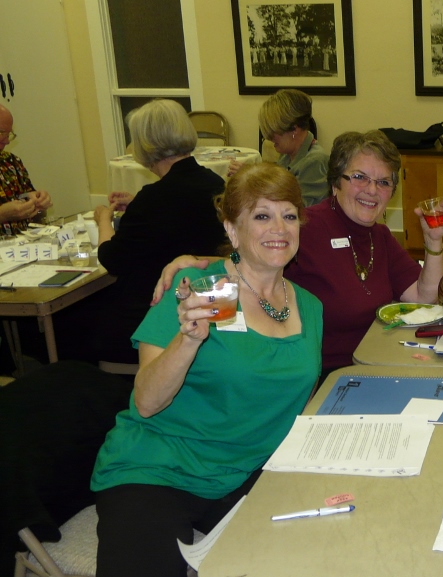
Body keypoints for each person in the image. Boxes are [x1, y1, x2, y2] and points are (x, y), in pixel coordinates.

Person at [91, 163, 323, 577]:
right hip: (159, 469)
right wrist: (188, 340)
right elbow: (146, 402)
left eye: (289, 216)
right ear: (232, 229)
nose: (279, 228)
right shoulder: (202, 288)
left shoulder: (309, 306)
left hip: (249, 473)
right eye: (262, 215)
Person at [154, 130, 443, 377]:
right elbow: (252, 263)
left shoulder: (380, 237)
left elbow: (425, 297)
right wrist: (197, 265)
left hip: (373, 363)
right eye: (359, 177)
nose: (372, 190)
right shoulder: (304, 228)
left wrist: (434, 241)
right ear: (336, 182)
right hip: (321, 375)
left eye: (383, 182)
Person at [59, 99, 226, 365]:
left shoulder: (153, 198)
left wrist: (104, 220)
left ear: (145, 144)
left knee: (70, 318)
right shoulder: (215, 183)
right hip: (209, 307)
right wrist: (137, 204)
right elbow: (179, 218)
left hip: (158, 315)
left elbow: (112, 259)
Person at [230, 89, 328, 206]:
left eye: (274, 132)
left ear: (294, 130)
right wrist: (250, 173)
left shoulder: (315, 162)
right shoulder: (288, 155)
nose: (269, 138)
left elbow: (300, 209)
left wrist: (253, 180)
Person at [0, 104, 53, 235]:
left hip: (25, 242)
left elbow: (36, 214)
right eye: (1, 133)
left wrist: (38, 202)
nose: (7, 141)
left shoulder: (11, 162)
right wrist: (2, 214)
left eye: (9, 134)